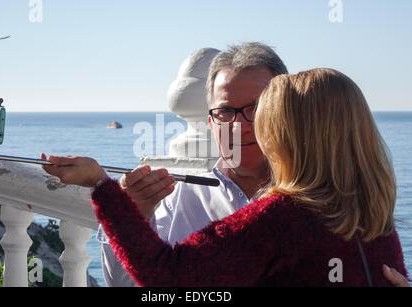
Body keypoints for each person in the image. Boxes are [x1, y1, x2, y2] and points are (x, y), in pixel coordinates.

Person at [42, 68, 409, 286]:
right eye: (226, 113)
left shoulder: (283, 217)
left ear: (287, 134)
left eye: (259, 114)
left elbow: (164, 277)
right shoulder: (373, 215)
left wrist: (103, 188)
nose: (246, 126)